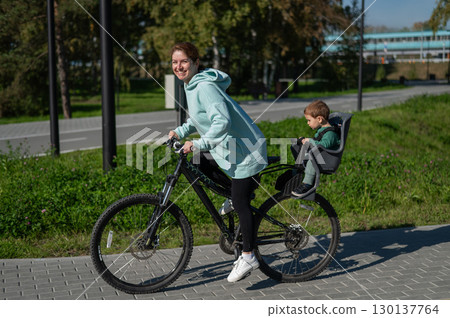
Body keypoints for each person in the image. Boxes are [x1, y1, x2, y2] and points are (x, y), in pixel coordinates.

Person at [168, 42, 268, 283]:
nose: (179, 66)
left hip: (246, 151)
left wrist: (199, 143)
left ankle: (248, 255)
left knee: (242, 203)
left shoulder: (204, 88)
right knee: (197, 161)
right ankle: (233, 195)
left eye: (183, 61)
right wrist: (180, 132)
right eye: (174, 62)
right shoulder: (191, 85)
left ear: (195, 62)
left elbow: (221, 122)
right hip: (233, 149)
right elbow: (199, 119)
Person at [291, 100, 340, 197]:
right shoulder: (322, 130)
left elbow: (323, 145)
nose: (307, 123)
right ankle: (296, 173)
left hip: (326, 159)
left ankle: (307, 184)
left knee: (312, 159)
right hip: (320, 155)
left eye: (309, 120)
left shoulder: (331, 134)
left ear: (319, 119)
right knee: (295, 147)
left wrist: (310, 141)